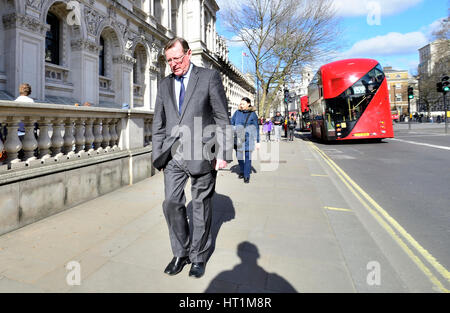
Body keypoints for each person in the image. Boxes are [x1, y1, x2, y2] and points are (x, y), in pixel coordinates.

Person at [151, 37, 231, 279]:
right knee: (171, 204)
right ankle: (180, 252)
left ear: (188, 54)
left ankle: (197, 257)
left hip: (203, 153)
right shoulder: (164, 84)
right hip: (173, 155)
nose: (173, 64)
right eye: (169, 61)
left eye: (177, 58)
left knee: (200, 207)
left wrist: (223, 153)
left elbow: (221, 117)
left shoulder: (208, 77)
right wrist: (158, 155)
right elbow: (159, 122)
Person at [231, 97, 260, 183]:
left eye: (243, 104)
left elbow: (256, 128)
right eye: (241, 103)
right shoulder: (237, 112)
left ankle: (246, 175)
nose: (241, 105)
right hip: (238, 138)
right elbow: (232, 122)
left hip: (249, 138)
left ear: (248, 104)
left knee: (248, 157)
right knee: (239, 156)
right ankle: (242, 170)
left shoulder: (253, 114)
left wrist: (258, 141)